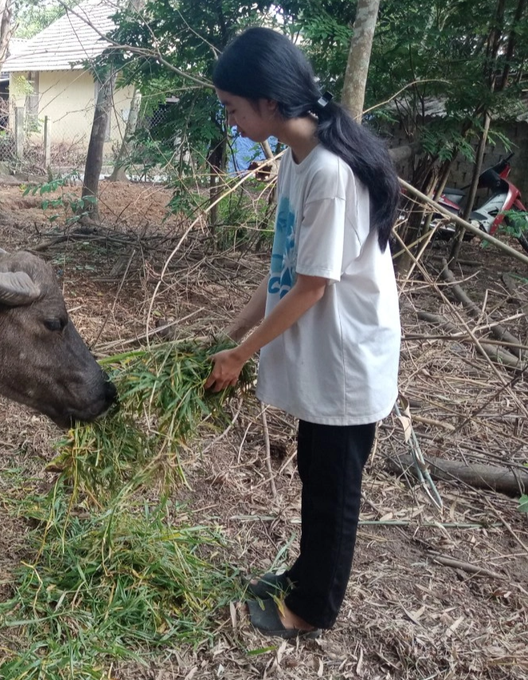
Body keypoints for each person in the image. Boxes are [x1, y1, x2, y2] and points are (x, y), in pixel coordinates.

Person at [204, 27, 401, 639]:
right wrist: (232, 332)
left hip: (346, 353)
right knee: (314, 474)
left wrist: (242, 354)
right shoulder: (295, 159)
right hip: (325, 349)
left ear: (268, 102)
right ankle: (301, 575)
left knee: (333, 488)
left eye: (233, 108)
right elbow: (284, 269)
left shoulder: (331, 173)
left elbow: (313, 287)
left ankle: (312, 609)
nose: (231, 122)